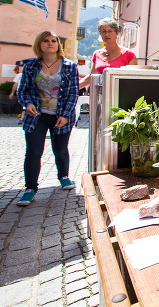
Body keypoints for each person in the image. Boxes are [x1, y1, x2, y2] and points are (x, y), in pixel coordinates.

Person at [16, 31, 79, 206]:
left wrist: (65, 115)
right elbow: (23, 90)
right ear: (39, 44)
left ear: (59, 45)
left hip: (62, 115)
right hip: (37, 116)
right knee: (34, 151)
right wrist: (27, 104)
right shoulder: (31, 66)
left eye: (54, 40)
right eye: (46, 41)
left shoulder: (70, 66)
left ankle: (64, 176)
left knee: (60, 149)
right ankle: (30, 189)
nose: (50, 43)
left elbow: (74, 93)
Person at [79, 18, 137, 88]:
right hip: (101, 94)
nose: (107, 34)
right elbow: (91, 77)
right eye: (103, 31)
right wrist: (73, 87)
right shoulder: (96, 54)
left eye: (110, 31)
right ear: (100, 33)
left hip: (121, 94)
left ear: (117, 33)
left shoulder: (128, 54)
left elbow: (134, 79)